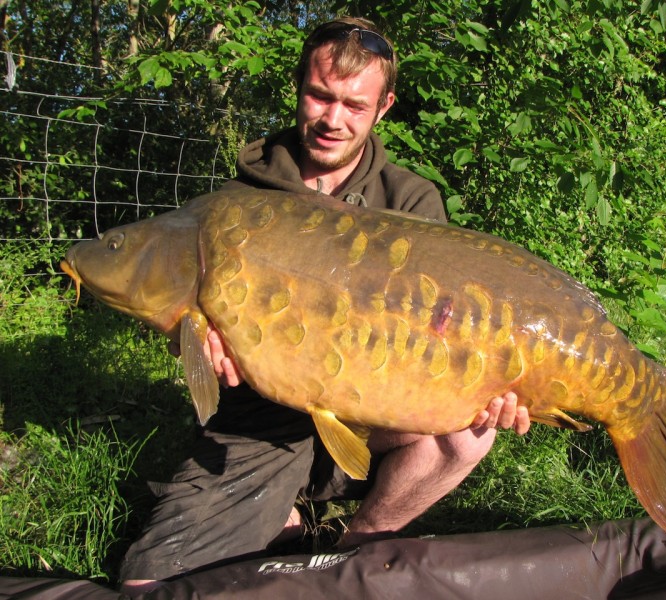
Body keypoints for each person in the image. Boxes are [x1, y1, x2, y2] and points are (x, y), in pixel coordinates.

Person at [120, 17, 530, 594]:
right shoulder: (240, 202)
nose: (333, 119)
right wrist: (192, 341)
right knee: (149, 587)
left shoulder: (410, 200)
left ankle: (353, 548)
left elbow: (440, 332)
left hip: (370, 418)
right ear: (297, 88)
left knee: (468, 434)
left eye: (354, 105)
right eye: (319, 96)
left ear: (383, 107)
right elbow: (176, 307)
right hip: (259, 425)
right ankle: (279, 507)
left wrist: (488, 386)